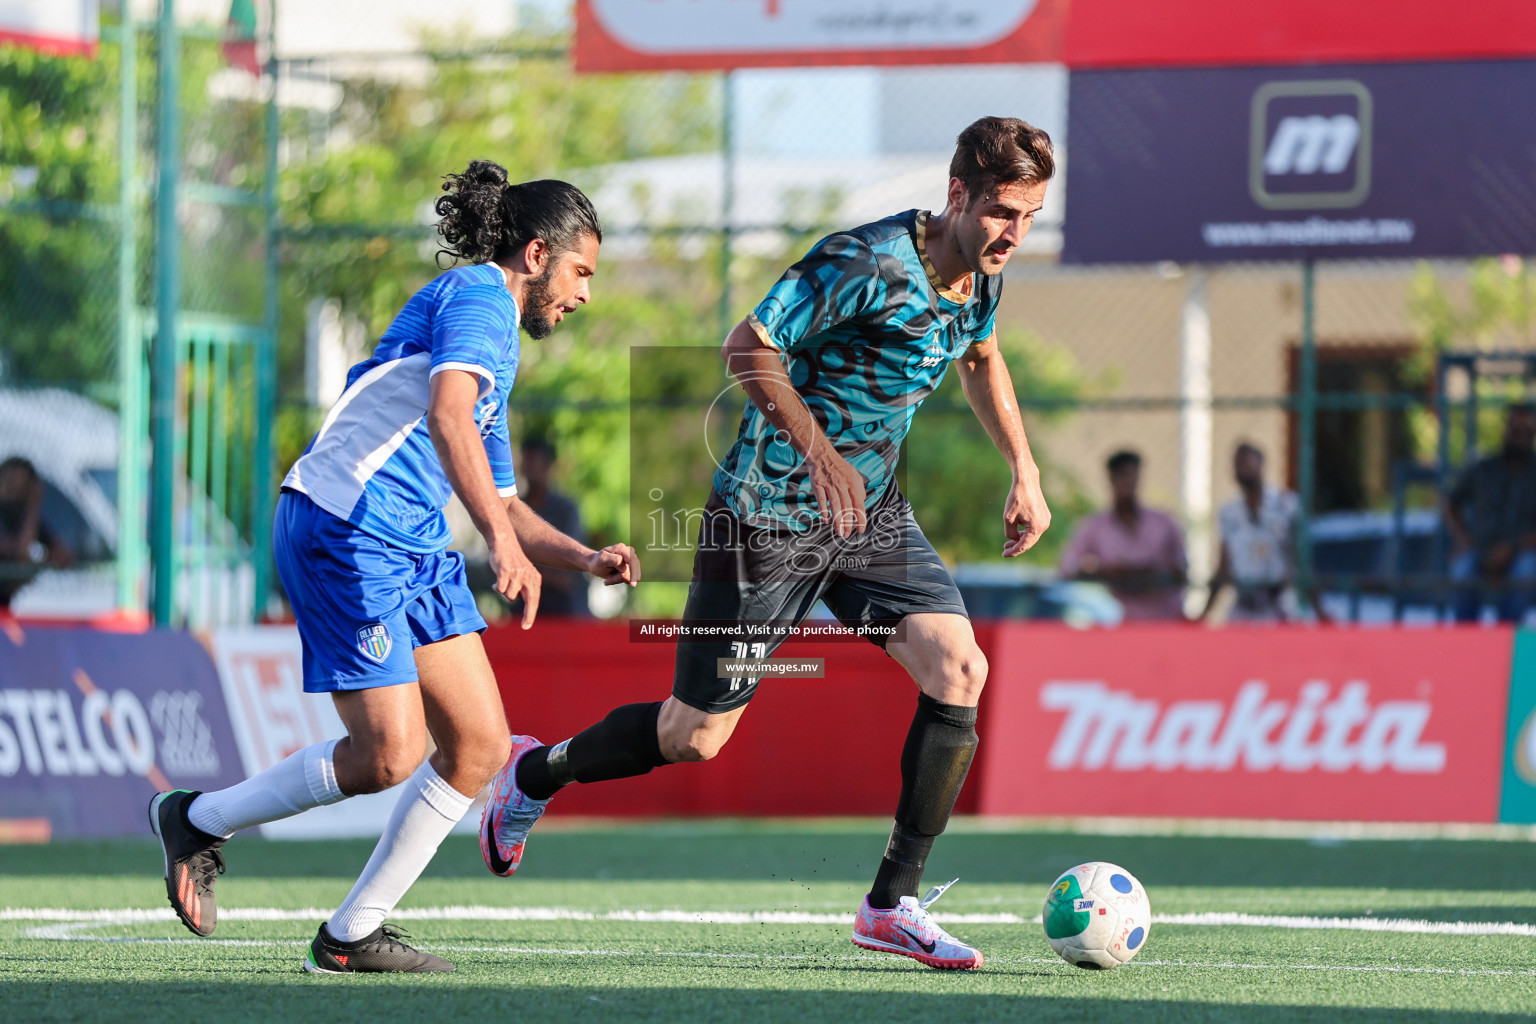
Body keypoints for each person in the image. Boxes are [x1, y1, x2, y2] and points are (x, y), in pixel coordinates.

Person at [480, 116, 1055, 971]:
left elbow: (979, 357)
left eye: (1031, 216)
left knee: (959, 667)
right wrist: (823, 455)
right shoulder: (862, 262)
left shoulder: (983, 274)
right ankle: (531, 777)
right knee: (694, 736)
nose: (1015, 233)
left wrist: (1025, 469)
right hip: (764, 518)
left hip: (868, 517)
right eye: (1004, 212)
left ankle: (890, 905)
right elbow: (747, 346)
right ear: (957, 195)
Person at [147, 161, 640, 974]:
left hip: (411, 544)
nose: (584, 293)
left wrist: (581, 555)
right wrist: (503, 548)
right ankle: (198, 819)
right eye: (581, 271)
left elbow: (502, 498)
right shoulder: (482, 300)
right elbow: (449, 424)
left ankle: (349, 936)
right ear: (536, 252)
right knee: (387, 756)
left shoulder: (491, 346)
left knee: (480, 745)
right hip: (347, 527)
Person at [1058, 450, 1187, 620]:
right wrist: (1105, 573)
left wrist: (1150, 574)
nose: (1128, 483)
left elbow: (1182, 568)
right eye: (1122, 475)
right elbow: (1067, 568)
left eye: (1132, 476)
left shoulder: (1163, 523)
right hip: (1114, 620)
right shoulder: (1094, 527)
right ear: (1111, 479)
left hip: (1161, 618)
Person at [1445, 404, 1536, 623]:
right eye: (1513, 429)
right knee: (1462, 571)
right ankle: (1467, 638)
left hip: (1524, 550)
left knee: (1526, 571)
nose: (1517, 436)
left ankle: (1506, 635)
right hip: (1479, 548)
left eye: (1524, 432)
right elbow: (1450, 503)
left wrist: (1512, 548)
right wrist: (1463, 538)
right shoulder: (1484, 468)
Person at [1201, 442, 1305, 623]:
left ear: (1261, 464)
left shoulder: (1286, 505)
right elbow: (1224, 565)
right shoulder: (1229, 512)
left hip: (1279, 604)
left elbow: (1302, 557)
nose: (1242, 468)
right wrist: (1203, 613)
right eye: (1238, 464)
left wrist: (1319, 610)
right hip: (1244, 605)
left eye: (1247, 462)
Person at [514, 435, 589, 616]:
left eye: (534, 460)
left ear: (548, 466)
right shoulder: (516, 509)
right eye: (526, 460)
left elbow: (570, 573)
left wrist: (528, 570)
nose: (528, 467)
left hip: (565, 613)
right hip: (523, 611)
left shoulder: (566, 510)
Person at [0, 456, 71, 608]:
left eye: (20, 489)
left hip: (12, 605)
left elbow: (63, 556)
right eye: (8, 484)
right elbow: (21, 551)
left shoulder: (23, 514)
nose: (12, 493)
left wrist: (33, 505)